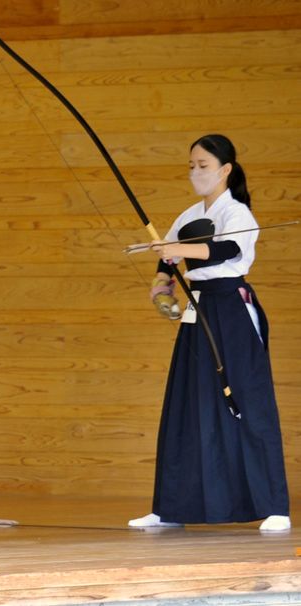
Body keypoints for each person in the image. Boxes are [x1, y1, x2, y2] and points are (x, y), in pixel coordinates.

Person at [130, 134, 290, 532]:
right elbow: (167, 261)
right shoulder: (187, 216)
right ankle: (171, 507)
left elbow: (225, 252)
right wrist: (161, 287)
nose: (195, 173)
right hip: (198, 310)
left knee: (248, 403)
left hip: (232, 310)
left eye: (203, 166)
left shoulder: (238, 215)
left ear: (225, 170)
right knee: (185, 404)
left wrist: (178, 251)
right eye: (191, 166)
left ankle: (274, 507)